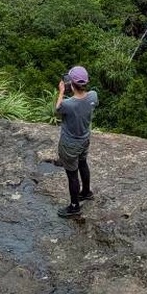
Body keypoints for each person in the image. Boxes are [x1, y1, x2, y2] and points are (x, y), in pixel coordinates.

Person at [54, 64, 99, 218]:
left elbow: (57, 109)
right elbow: (90, 103)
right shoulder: (93, 95)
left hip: (70, 144)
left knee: (72, 175)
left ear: (70, 84)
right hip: (84, 139)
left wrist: (61, 91)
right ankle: (86, 192)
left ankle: (74, 207)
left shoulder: (68, 104)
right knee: (83, 163)